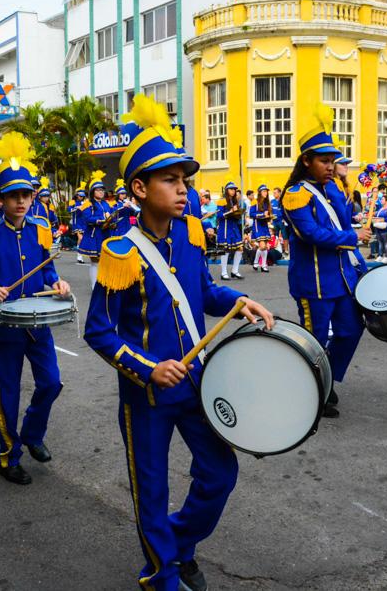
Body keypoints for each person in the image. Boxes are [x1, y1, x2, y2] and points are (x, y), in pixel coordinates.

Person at [84, 94, 273, 591]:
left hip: (196, 384)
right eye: (171, 179)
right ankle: (161, 573)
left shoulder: (192, 233)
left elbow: (205, 291)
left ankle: (178, 541)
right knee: (152, 488)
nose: (183, 188)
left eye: (184, 179)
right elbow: (98, 330)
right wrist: (148, 368)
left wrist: (240, 299)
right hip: (147, 394)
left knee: (219, 475)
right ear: (140, 188)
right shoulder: (119, 251)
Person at [0, 133, 71, 485]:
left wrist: (58, 282)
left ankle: (33, 434)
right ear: (1, 199)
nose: (20, 201)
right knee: (6, 396)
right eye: (13, 196)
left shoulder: (40, 228)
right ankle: (8, 457)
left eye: (26, 195)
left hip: (38, 324)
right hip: (3, 328)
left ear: (32, 197)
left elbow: (47, 270)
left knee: (51, 383)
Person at [282, 105, 370, 417]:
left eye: (333, 160)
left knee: (350, 330)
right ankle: (312, 389)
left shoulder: (332, 189)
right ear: (306, 161)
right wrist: (352, 239)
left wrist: (360, 259)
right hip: (314, 282)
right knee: (314, 339)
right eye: (324, 161)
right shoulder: (294, 194)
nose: (331, 166)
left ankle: (322, 379)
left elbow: (343, 226)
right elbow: (310, 234)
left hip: (344, 277)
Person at [76, 171, 114, 288]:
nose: (101, 192)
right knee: (94, 262)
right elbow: (87, 218)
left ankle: (103, 283)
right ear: (93, 192)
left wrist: (112, 220)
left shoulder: (106, 204)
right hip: (93, 235)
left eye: (102, 190)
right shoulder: (88, 204)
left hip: (105, 234)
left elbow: (111, 214)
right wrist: (99, 219)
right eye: (98, 190)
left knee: (105, 261)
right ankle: (94, 286)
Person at [215, 182, 245, 280]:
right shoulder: (222, 201)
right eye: (231, 189)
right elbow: (219, 216)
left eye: (234, 189)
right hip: (225, 228)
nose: (233, 191)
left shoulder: (235, 200)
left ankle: (234, 271)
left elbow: (236, 216)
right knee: (225, 250)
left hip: (234, 227)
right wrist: (231, 212)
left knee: (240, 248)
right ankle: (223, 272)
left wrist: (238, 213)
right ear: (227, 190)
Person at [249, 184, 274, 272]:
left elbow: (268, 214)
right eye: (264, 191)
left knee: (265, 247)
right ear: (259, 193)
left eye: (266, 191)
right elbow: (251, 214)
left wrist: (270, 216)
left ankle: (263, 265)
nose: (266, 193)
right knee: (262, 246)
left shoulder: (267, 202)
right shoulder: (254, 202)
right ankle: (256, 262)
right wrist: (262, 215)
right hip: (257, 225)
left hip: (264, 225)